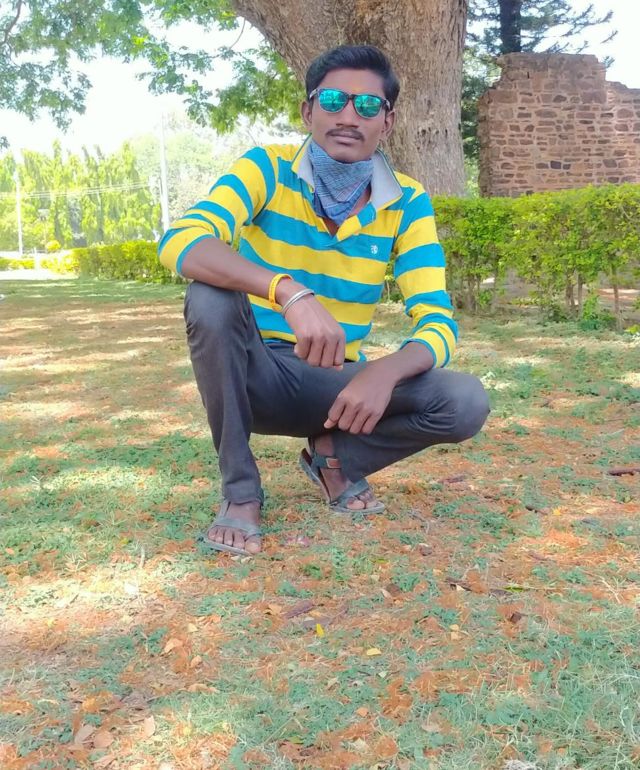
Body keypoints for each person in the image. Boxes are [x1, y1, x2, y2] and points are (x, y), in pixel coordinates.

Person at [158, 44, 489, 556]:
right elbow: (182, 241)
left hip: (336, 389)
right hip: (253, 375)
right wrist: (288, 291)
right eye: (333, 100)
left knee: (464, 400)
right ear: (308, 111)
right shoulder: (266, 169)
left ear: (387, 122)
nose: (349, 116)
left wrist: (384, 372)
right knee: (210, 296)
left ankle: (334, 458)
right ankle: (241, 492)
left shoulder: (408, 201)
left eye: (368, 105)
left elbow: (438, 321)